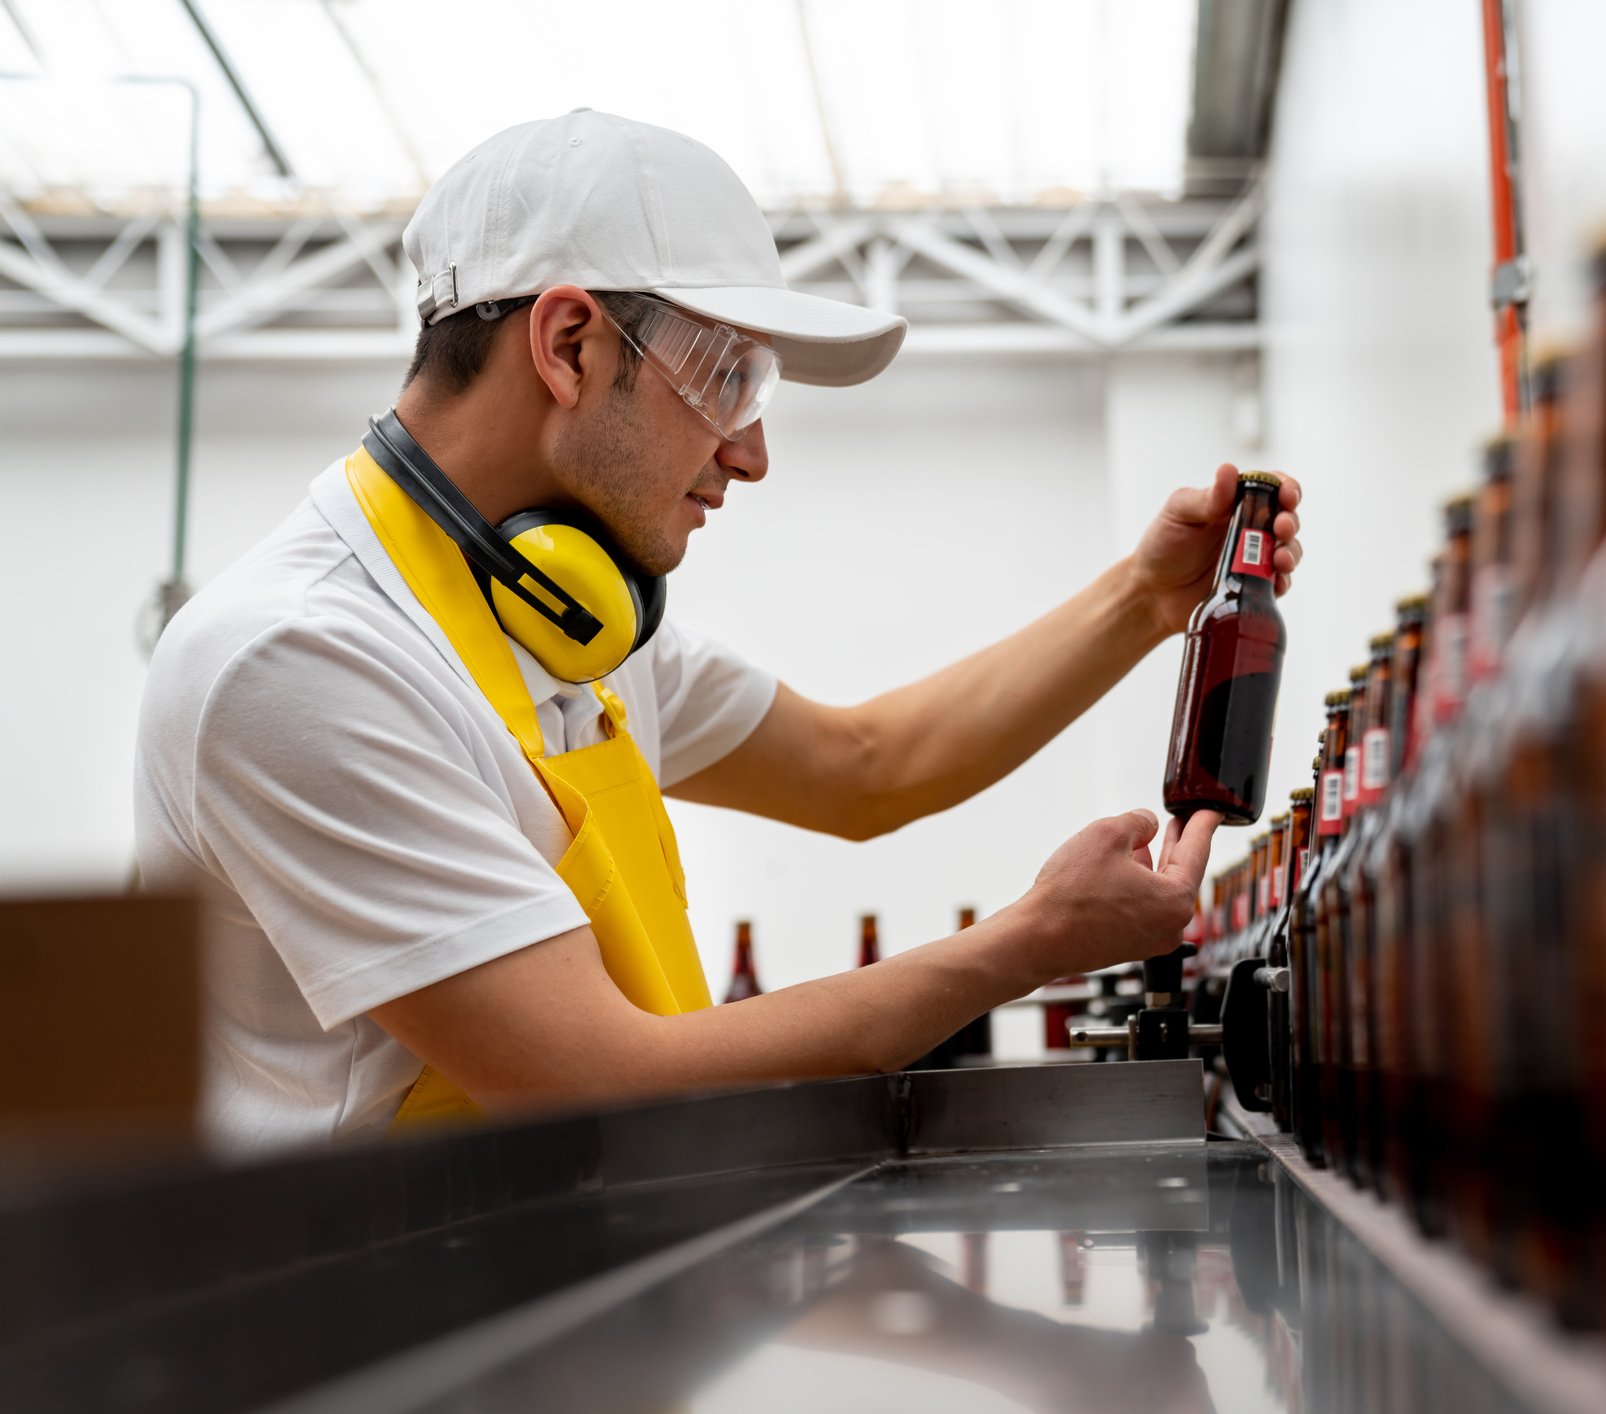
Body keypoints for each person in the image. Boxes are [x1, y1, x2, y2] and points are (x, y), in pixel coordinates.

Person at [133, 110, 1304, 1156]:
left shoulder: (561, 608)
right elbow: (595, 1082)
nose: (749, 453)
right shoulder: (302, 659)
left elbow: (865, 767)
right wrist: (1030, 942)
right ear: (570, 345)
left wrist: (1146, 599)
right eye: (725, 377)